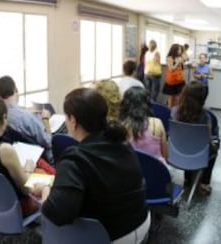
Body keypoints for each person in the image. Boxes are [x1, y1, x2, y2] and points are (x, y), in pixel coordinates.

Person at [34, 88, 150, 243]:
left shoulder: (74, 158)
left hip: (111, 236)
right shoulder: (122, 143)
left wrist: (45, 190)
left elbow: (57, 214)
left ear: (73, 121)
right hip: (142, 222)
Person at [120, 87, 183, 185]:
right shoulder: (156, 124)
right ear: (147, 104)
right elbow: (165, 156)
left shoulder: (121, 126)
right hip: (156, 177)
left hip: (129, 179)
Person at [171, 81, 218, 193]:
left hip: (177, 154)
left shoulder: (174, 111)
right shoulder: (206, 117)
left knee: (186, 142)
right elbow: (209, 140)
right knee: (214, 148)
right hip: (198, 155)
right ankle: (204, 183)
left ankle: (187, 179)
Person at [0, 76, 53, 159]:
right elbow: (48, 142)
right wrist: (45, 120)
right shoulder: (26, 117)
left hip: (18, 156)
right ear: (15, 89)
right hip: (41, 158)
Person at [163, 44, 186, 108]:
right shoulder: (169, 57)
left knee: (180, 96)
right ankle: (169, 110)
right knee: (171, 97)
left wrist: (182, 61)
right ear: (174, 50)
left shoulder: (179, 57)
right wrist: (177, 63)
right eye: (178, 49)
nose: (180, 51)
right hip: (172, 80)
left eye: (180, 49)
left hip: (180, 80)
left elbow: (183, 68)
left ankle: (177, 109)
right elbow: (171, 69)